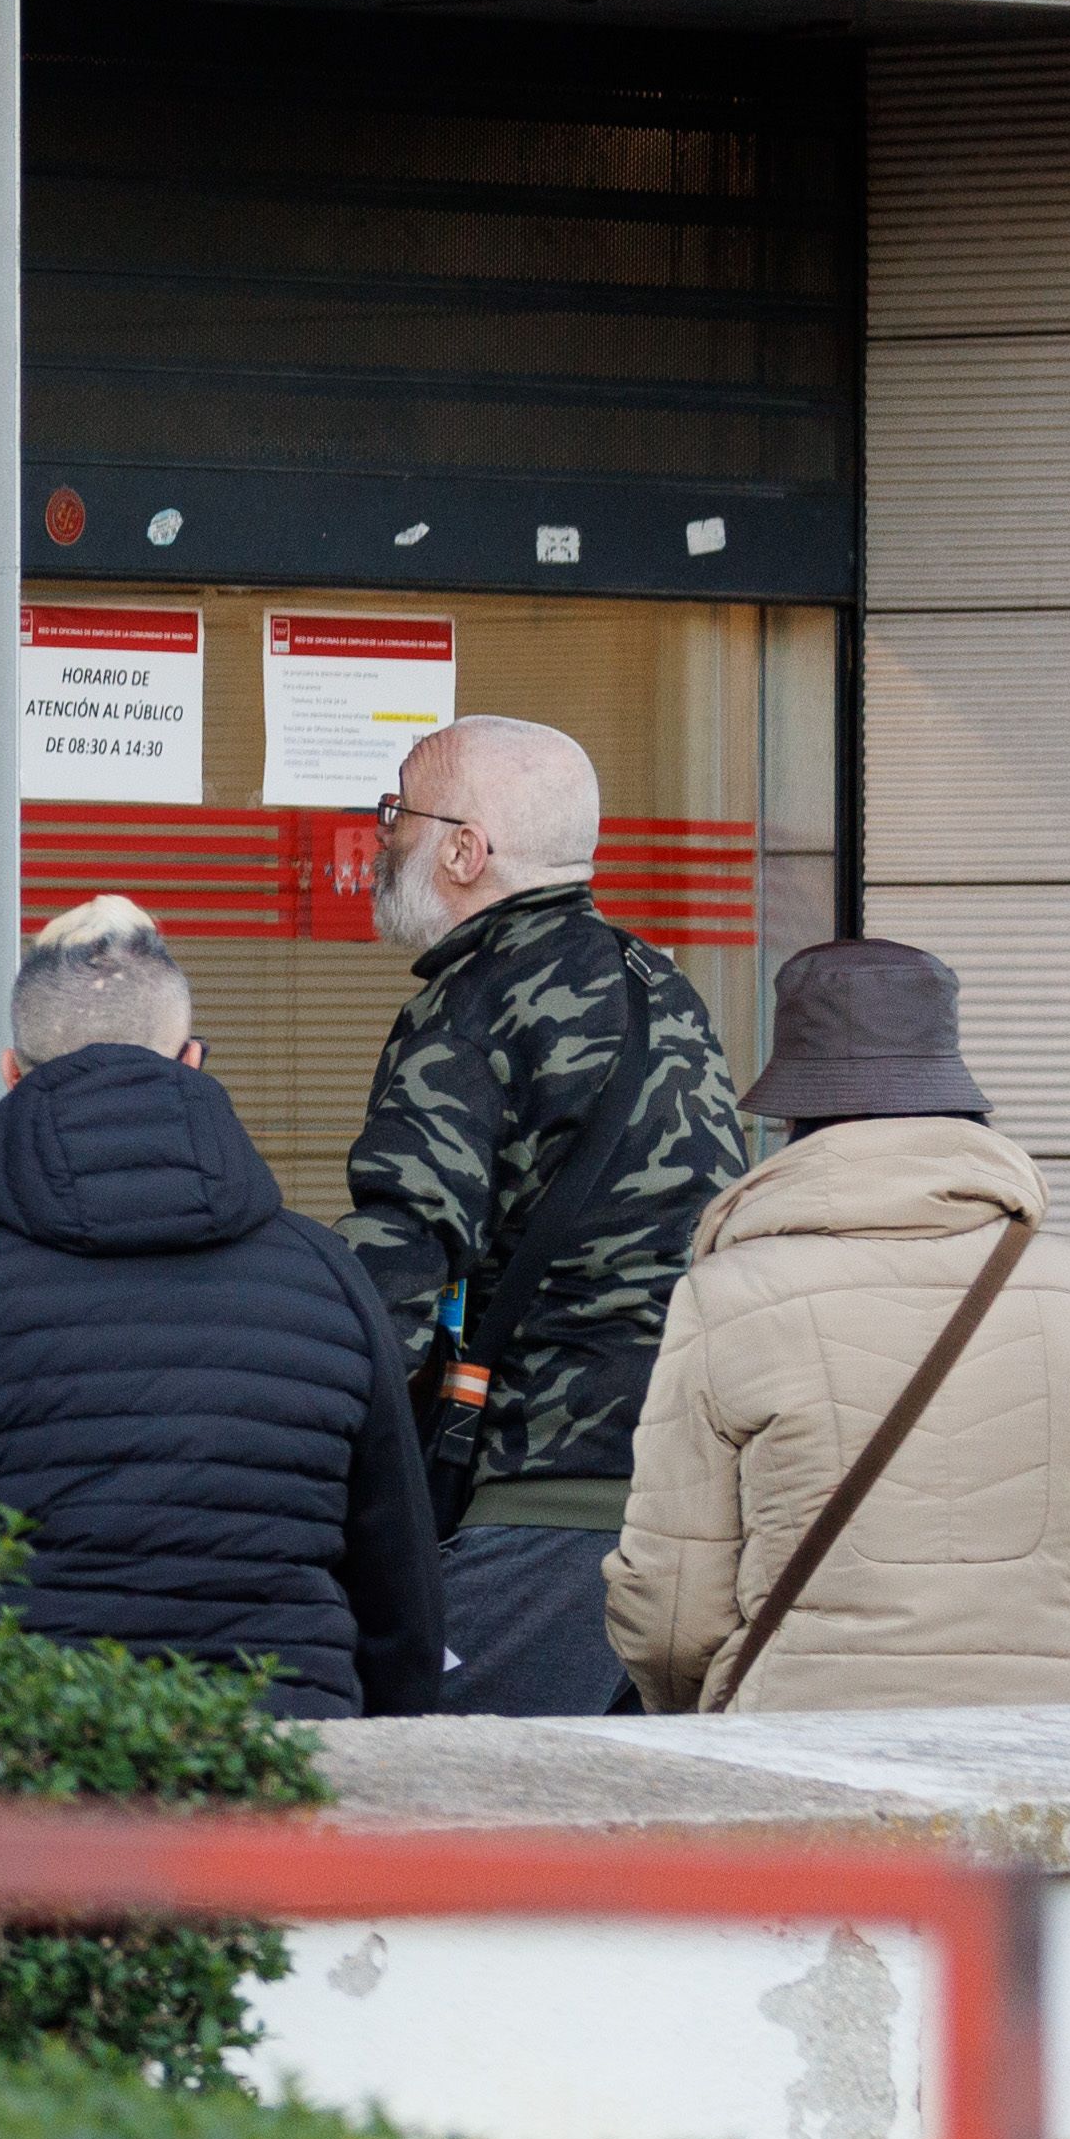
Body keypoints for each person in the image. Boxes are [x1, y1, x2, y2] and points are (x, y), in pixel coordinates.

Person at [0, 898, 441, 1720]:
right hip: (288, 1776)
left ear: (12, 1071)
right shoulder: (327, 1277)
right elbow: (400, 1595)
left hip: (30, 1771)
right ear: (190, 1061)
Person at [605, 937, 1070, 1712]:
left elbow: (674, 1619)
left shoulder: (728, 1298)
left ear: (795, 1112)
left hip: (808, 1753)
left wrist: (718, 1703)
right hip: (1052, 1749)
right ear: (957, 1097)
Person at [341, 714, 753, 1716]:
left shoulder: (471, 1008)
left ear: (463, 849)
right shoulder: (664, 989)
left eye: (399, 809)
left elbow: (398, 1262)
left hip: (539, 1508)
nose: (384, 832)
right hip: (694, 1511)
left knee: (440, 1818)